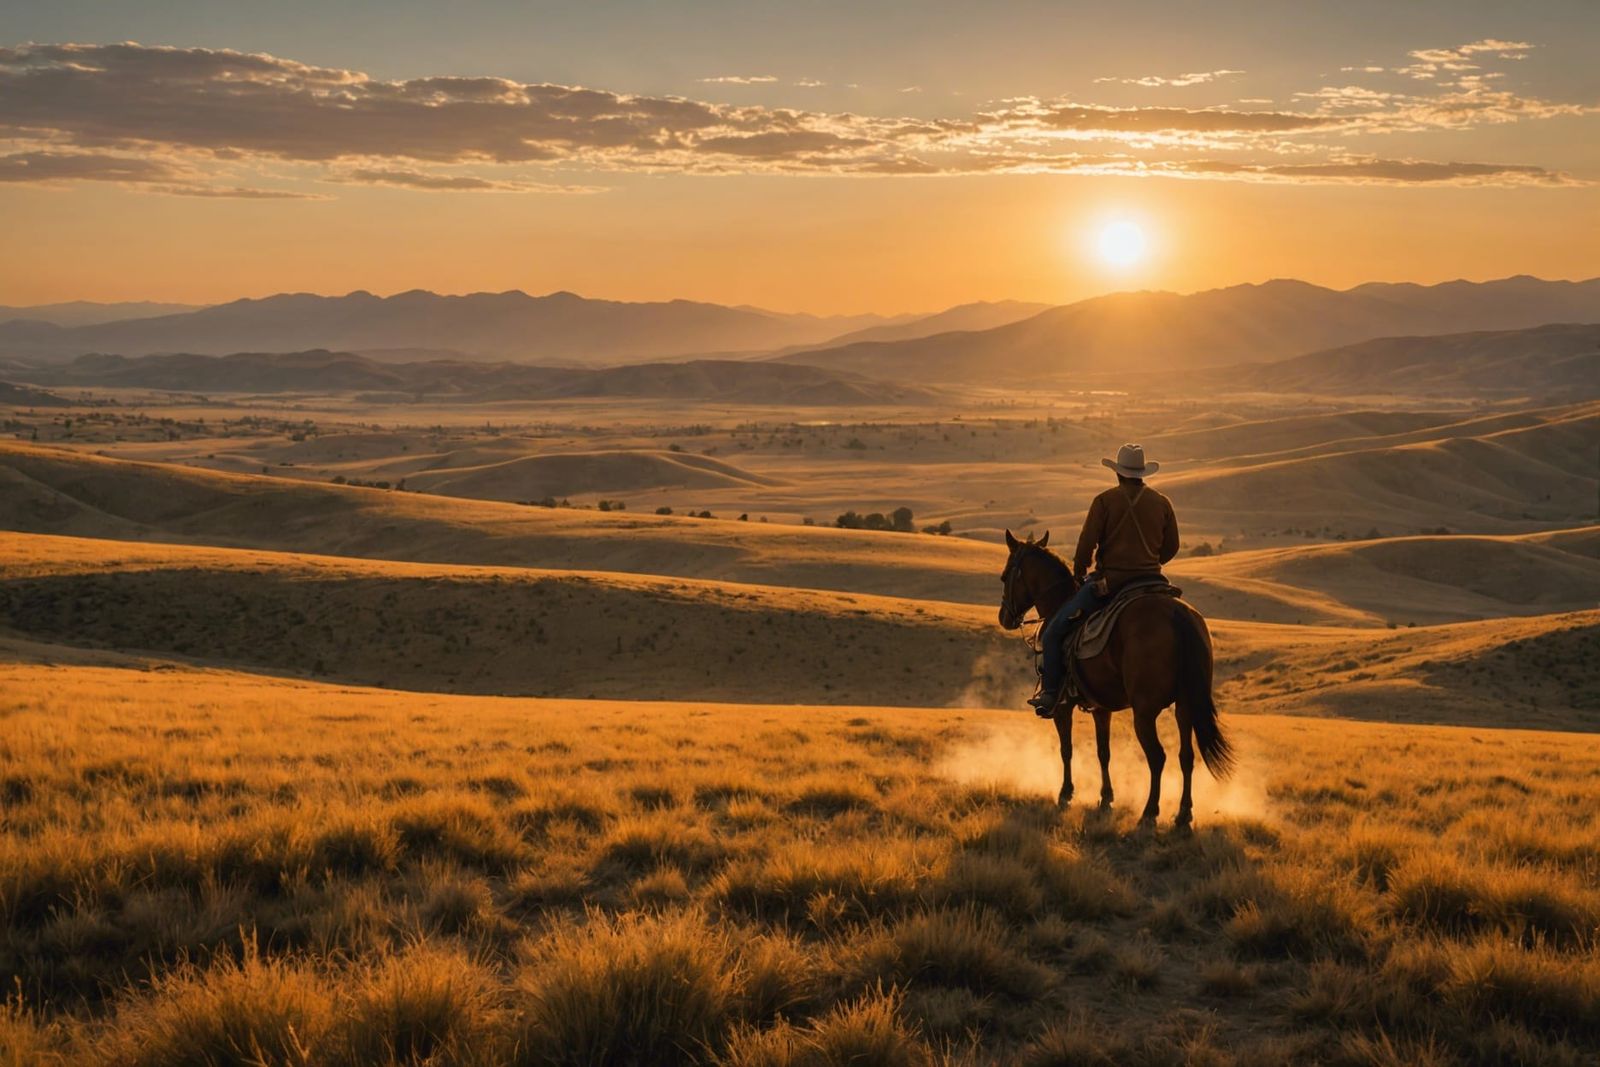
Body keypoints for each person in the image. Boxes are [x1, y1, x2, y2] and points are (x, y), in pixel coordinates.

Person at [1029, 443, 1180, 716]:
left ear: (1118, 473)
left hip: (1111, 584)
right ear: (1142, 473)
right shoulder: (1162, 503)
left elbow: (1086, 544)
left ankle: (1050, 693)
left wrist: (1079, 571)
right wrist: (1148, 563)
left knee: (1053, 632)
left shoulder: (1105, 501)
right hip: (1153, 582)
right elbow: (1172, 547)